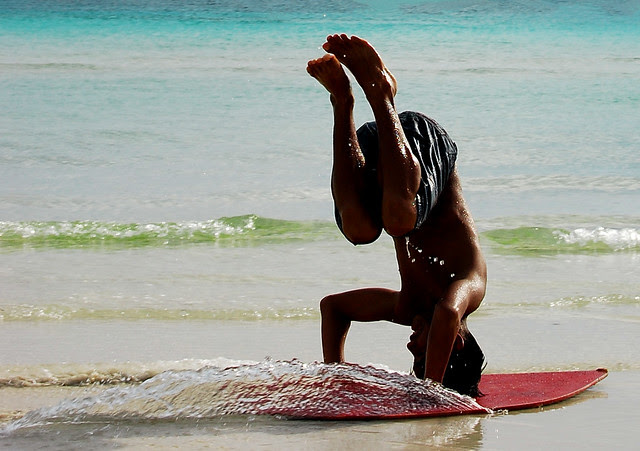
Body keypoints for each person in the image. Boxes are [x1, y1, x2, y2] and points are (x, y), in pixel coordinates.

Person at [306, 34, 487, 396]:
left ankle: (342, 101)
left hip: (383, 157)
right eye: (421, 354)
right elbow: (449, 315)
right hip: (422, 143)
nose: (408, 345)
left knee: (360, 231)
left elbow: (333, 307)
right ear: (456, 344)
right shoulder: (470, 288)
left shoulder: (407, 307)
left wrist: (334, 379)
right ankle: (382, 92)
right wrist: (433, 392)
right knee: (400, 221)